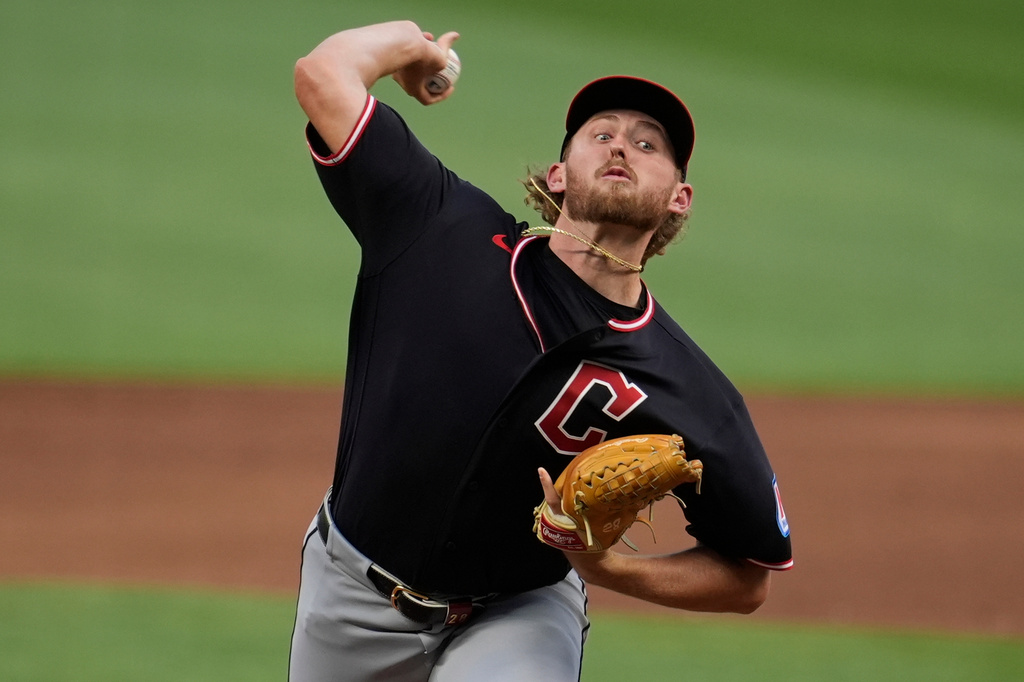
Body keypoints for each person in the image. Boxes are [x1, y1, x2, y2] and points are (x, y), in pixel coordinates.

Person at [289, 20, 793, 682]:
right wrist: (416, 47)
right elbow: (323, 76)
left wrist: (611, 569)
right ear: (559, 174)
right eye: (601, 134)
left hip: (518, 613)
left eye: (648, 144)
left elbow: (747, 575)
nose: (622, 148)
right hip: (349, 595)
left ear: (678, 198)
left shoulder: (688, 389)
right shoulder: (439, 228)